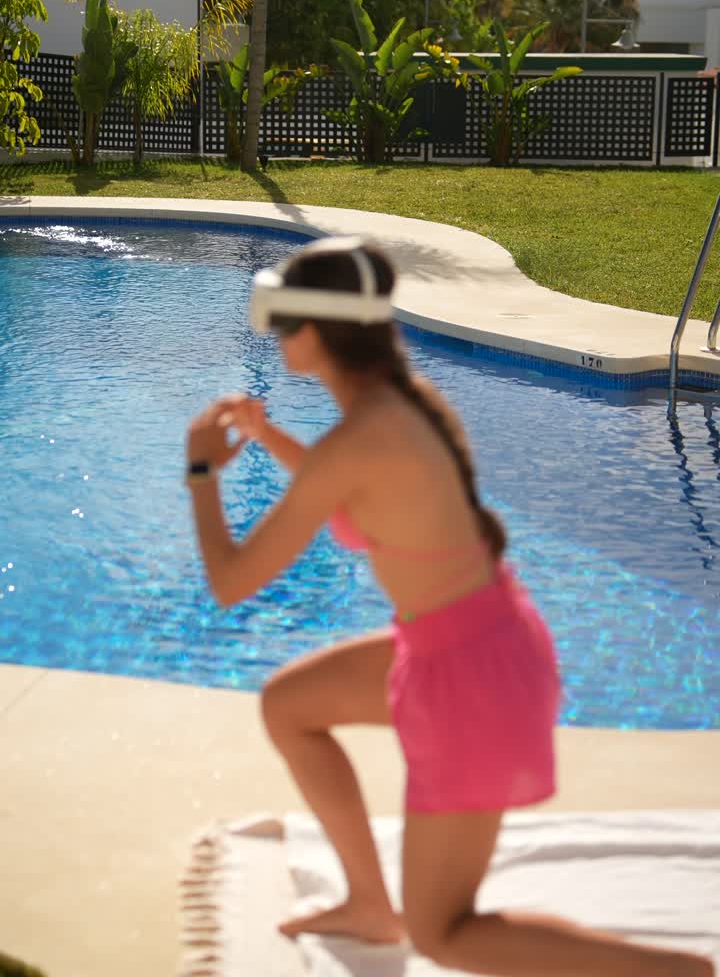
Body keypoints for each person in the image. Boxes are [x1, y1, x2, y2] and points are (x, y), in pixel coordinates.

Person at [186, 235, 714, 977]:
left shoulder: (362, 435)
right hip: (472, 644)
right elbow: (348, 491)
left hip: (470, 681)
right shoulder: (402, 405)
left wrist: (201, 469)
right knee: (290, 704)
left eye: (282, 324)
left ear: (314, 331)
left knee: (443, 935)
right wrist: (270, 435)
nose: (275, 339)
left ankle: (679, 974)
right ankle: (369, 902)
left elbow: (232, 579)